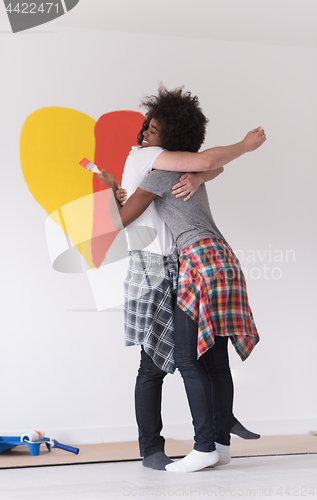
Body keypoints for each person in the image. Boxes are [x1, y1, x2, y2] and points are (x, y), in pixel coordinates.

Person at [98, 86, 266, 472]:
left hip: (188, 261)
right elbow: (211, 163)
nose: (143, 135)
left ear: (169, 141)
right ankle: (186, 441)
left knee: (194, 358)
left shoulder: (159, 165)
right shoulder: (153, 161)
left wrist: (201, 169)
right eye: (146, 127)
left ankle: (211, 439)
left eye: (153, 130)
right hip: (187, 262)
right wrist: (213, 164)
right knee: (173, 361)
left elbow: (208, 163)